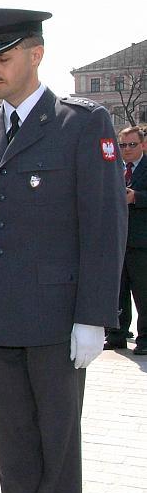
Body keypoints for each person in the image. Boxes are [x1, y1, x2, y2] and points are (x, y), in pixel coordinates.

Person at [0, 8, 126, 493]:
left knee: (57, 451)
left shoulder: (82, 123)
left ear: (36, 54)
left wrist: (95, 316)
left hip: (57, 320)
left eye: (3, 57)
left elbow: (104, 226)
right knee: (12, 448)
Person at [105, 126, 147, 354]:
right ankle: (117, 335)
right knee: (117, 292)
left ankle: (145, 340)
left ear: (142, 145)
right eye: (122, 145)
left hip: (141, 243)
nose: (127, 150)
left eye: (132, 144)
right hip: (116, 241)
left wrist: (137, 197)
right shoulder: (112, 168)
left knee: (143, 293)